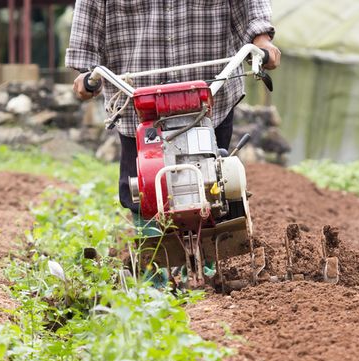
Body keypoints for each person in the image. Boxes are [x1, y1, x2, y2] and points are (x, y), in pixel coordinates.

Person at [65, 1, 281, 217]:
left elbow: (250, 6)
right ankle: (150, 245)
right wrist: (87, 72)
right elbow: (89, 15)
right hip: (137, 104)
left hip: (211, 96)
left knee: (219, 186)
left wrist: (262, 41)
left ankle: (220, 239)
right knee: (142, 197)